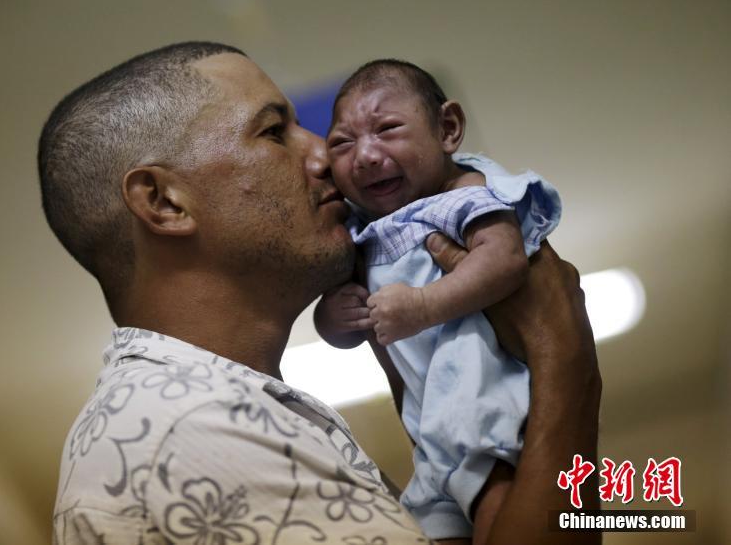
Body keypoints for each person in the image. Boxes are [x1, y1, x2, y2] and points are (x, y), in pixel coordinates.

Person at [38, 41, 601, 545]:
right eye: (274, 131)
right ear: (164, 201)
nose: (324, 156)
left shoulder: (204, 413)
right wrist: (563, 360)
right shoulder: (190, 428)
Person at [315, 59, 561, 540]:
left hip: (482, 402)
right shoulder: (357, 230)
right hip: (430, 431)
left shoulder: (462, 194)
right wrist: (333, 317)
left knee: (498, 508)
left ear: (448, 129)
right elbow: (343, 335)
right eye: (342, 143)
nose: (364, 155)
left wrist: (425, 306)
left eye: (387, 129)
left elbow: (504, 260)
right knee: (433, 525)